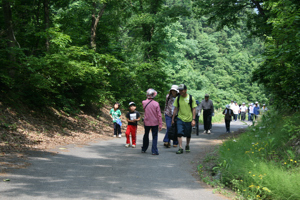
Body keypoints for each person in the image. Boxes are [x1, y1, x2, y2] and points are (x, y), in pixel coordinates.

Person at [172, 84, 197, 154]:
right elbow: (175, 109)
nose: (180, 91)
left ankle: (187, 145)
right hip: (180, 118)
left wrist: (193, 119)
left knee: (188, 134)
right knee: (179, 133)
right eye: (179, 90)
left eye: (182, 90)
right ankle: (180, 147)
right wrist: (173, 118)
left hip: (189, 119)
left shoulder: (191, 98)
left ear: (185, 90)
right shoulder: (178, 98)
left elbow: (193, 109)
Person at [141, 88, 162, 155]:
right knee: (155, 136)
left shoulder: (143, 102)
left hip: (146, 122)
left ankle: (144, 148)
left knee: (146, 134)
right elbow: (159, 115)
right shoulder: (156, 104)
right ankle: (154, 150)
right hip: (155, 122)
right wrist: (160, 124)